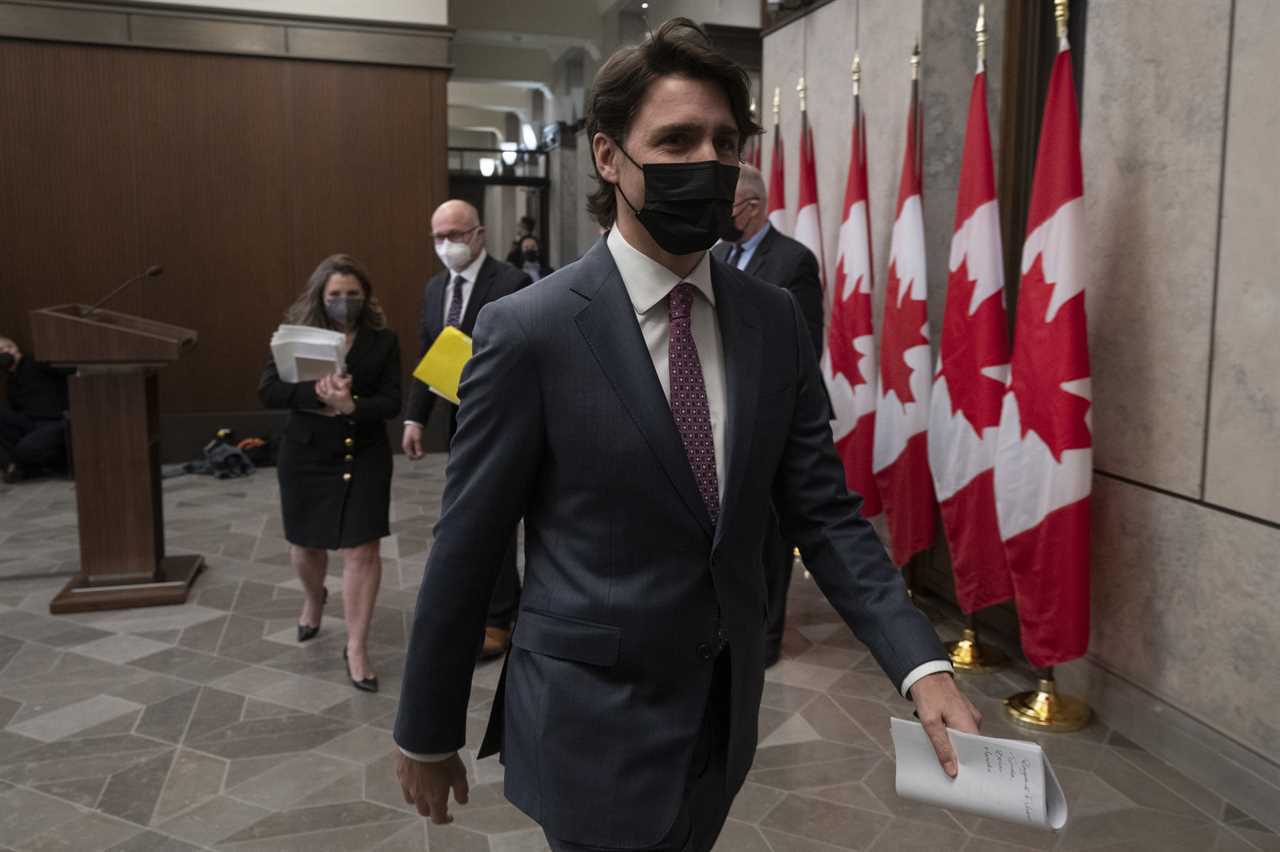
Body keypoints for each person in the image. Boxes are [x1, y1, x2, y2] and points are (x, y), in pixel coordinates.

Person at [394, 19, 979, 852]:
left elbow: (824, 510)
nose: (706, 161)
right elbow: (468, 543)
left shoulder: (772, 320)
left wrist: (918, 663)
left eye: (724, 140)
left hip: (723, 712)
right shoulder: (529, 331)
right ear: (608, 157)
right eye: (675, 140)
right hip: (590, 724)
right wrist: (427, 728)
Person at [259, 254, 401, 693]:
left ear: (366, 296)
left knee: (361, 551)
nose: (344, 302)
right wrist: (317, 394)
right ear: (321, 297)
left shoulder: (383, 340)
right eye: (336, 295)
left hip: (363, 455)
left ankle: (356, 647)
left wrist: (352, 405)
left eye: (353, 295)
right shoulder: (298, 337)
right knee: (306, 548)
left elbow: (393, 401)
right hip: (306, 457)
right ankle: (313, 597)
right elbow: (269, 390)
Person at [402, 200, 531, 658]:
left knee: (492, 515)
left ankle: (500, 617)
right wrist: (416, 416)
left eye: (455, 235)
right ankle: (489, 608)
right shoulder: (436, 287)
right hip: (458, 420)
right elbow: (430, 352)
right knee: (468, 517)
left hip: (503, 418)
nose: (447, 245)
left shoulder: (511, 281)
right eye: (438, 237)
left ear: (479, 234)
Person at [712, 163, 824, 667]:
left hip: (770, 418)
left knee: (772, 537)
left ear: (752, 207)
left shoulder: (794, 261)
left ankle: (768, 636)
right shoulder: (714, 255)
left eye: (724, 204)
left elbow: (802, 348)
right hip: (717, 413)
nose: (715, 216)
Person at [0, 336, 72, 483]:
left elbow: (68, 370)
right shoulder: (10, 381)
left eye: (1, 350)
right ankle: (12, 465)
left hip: (55, 421)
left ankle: (19, 466)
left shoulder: (35, 361)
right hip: (29, 424)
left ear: (13, 348)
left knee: (25, 450)